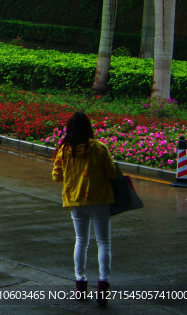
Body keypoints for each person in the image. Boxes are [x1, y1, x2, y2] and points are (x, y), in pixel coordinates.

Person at [52, 111, 118, 307]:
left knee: (81, 241)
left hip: (76, 201)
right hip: (100, 200)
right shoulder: (99, 148)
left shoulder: (64, 150)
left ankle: (80, 283)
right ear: (89, 127)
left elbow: (56, 176)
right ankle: (103, 284)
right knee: (104, 242)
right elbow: (112, 173)